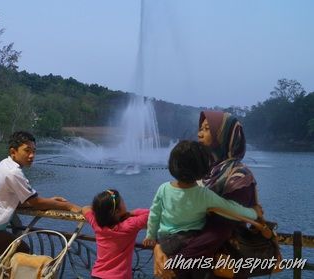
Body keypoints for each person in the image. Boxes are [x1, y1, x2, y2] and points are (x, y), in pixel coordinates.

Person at [0, 131, 79, 279]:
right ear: (13, 152)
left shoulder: (5, 165)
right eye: (27, 150)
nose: (31, 155)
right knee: (21, 251)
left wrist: (51, 201)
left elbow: (26, 201)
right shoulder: (13, 172)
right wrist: (68, 206)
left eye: (34, 151)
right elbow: (35, 202)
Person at [153, 111, 261, 279]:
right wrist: (158, 247)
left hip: (221, 264)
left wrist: (175, 263)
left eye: (207, 129)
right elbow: (174, 216)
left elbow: (219, 230)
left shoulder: (238, 177)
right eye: (200, 128)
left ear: (223, 135)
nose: (199, 133)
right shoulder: (204, 171)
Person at [142, 140, 261, 258]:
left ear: (172, 165)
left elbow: (154, 215)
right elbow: (231, 210)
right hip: (189, 242)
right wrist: (254, 213)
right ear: (204, 168)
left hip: (165, 241)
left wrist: (150, 236)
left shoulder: (163, 189)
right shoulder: (204, 195)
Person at [79, 189, 149, 279]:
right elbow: (150, 214)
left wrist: (101, 211)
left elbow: (85, 208)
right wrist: (131, 213)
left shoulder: (96, 223)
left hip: (97, 274)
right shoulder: (130, 225)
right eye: (122, 201)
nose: (124, 202)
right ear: (117, 212)